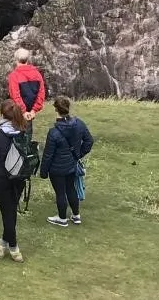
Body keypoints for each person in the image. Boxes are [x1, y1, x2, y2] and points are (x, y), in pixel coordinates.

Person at [0, 99, 29, 262]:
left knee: (7, 212)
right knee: (10, 210)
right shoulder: (23, 132)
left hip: (1, 179)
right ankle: (2, 244)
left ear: (2, 115)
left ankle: (14, 248)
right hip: (19, 178)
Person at [40, 96, 95, 226]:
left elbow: (48, 155)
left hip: (56, 168)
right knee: (71, 189)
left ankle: (62, 218)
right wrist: (78, 154)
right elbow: (89, 141)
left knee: (60, 193)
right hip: (71, 165)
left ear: (56, 109)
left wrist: (43, 172)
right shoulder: (79, 124)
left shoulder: (53, 132)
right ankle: (76, 216)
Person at [7, 48, 46, 136]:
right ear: (28, 60)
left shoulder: (14, 75)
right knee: (28, 134)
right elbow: (41, 93)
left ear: (16, 59)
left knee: (17, 136)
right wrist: (33, 110)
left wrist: (24, 112)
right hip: (31, 111)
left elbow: (15, 95)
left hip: (18, 112)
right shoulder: (37, 74)